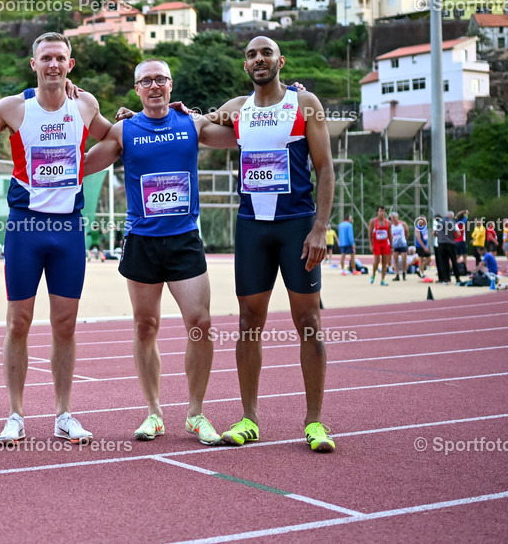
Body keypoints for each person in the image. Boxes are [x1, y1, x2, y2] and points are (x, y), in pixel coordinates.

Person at [0, 32, 113, 445]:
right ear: (34, 64)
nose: (52, 65)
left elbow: (115, 139)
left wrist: (141, 121)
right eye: (45, 58)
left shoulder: (85, 104)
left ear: (70, 64)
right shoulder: (15, 107)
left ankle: (64, 414)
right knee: (19, 322)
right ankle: (15, 414)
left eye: (59, 58)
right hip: (25, 226)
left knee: (64, 324)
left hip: (68, 227)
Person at [83, 59, 238, 445]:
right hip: (142, 242)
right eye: (146, 81)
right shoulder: (124, 130)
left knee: (200, 323)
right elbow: (84, 165)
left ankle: (196, 413)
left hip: (184, 239)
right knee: (145, 326)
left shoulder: (193, 125)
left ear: (171, 85)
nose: (154, 86)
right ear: (137, 88)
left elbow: (241, 132)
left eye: (160, 80)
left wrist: (292, 101)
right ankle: (153, 412)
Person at [202, 36, 336, 453]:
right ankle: (249, 418)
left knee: (308, 321)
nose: (258, 59)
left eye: (266, 53)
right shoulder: (237, 108)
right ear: (245, 66)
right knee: (247, 322)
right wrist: (144, 117)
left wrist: (320, 228)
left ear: (281, 60)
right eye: (251, 55)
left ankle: (314, 422)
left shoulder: (304, 102)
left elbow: (326, 168)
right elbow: (193, 124)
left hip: (297, 225)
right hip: (252, 227)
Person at [434, 212, 462, 285]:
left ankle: (446, 279)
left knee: (443, 262)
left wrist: (439, 237)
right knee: (454, 261)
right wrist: (453, 238)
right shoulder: (453, 222)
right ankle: (457, 278)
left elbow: (434, 233)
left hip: (441, 244)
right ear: (451, 216)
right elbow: (459, 233)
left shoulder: (439, 222)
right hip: (451, 244)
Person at [368, 206, 392, 286]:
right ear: (377, 212)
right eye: (380, 211)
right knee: (377, 261)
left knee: (385, 262)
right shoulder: (373, 221)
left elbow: (390, 234)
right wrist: (371, 245)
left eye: (383, 211)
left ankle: (383, 279)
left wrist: (391, 246)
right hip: (376, 243)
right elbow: (369, 234)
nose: (382, 213)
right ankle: (373, 274)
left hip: (385, 243)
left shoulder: (388, 222)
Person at [389, 212, 409, 281]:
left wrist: (404, 239)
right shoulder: (390, 226)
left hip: (402, 243)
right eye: (392, 218)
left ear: (397, 217)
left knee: (404, 259)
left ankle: (404, 272)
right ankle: (397, 274)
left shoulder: (402, 224)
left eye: (394, 217)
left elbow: (407, 232)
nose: (393, 219)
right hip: (395, 244)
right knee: (395, 259)